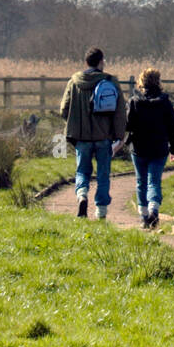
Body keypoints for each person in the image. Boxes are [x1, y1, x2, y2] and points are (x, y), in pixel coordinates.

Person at [59, 47, 127, 220]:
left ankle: (82, 195)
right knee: (103, 173)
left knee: (82, 170)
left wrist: (75, 123)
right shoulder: (110, 81)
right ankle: (101, 211)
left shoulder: (74, 82)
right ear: (101, 61)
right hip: (104, 136)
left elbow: (63, 109)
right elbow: (120, 111)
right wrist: (120, 136)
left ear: (86, 62)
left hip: (81, 137)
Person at [124, 67, 174, 229]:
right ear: (158, 82)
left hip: (139, 148)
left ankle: (143, 217)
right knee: (154, 181)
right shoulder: (165, 102)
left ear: (141, 82)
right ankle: (153, 210)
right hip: (159, 148)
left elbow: (127, 124)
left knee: (141, 182)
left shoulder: (135, 101)